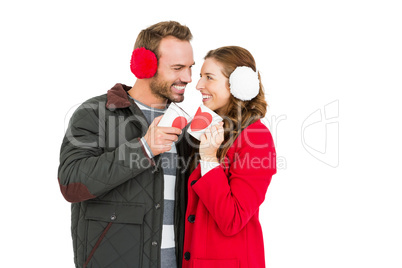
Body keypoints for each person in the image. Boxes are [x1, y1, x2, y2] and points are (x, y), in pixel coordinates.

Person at [58, 21, 195, 268]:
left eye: (190, 67)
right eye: (177, 68)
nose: (188, 78)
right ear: (145, 64)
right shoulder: (95, 113)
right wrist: (143, 148)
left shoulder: (186, 126)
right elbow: (71, 183)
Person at [182, 46, 277, 268]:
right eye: (200, 77)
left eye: (209, 78)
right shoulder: (212, 129)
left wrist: (208, 159)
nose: (198, 85)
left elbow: (233, 220)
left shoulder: (257, 137)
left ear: (238, 84)